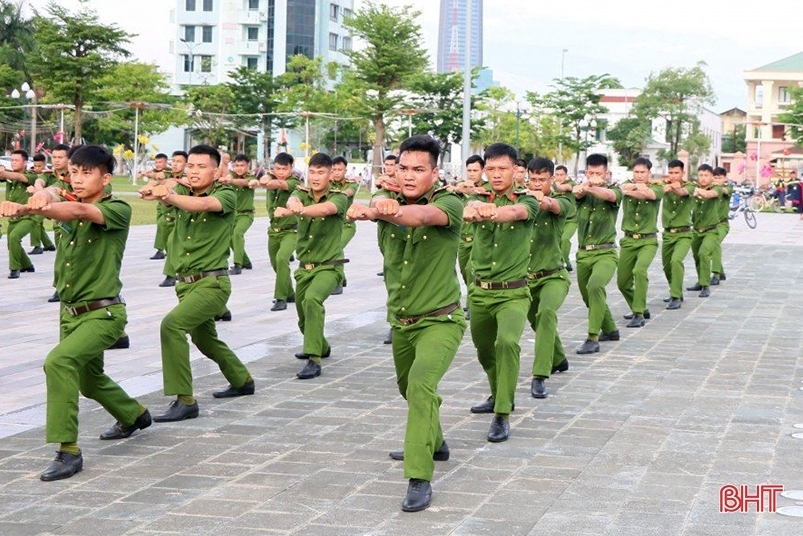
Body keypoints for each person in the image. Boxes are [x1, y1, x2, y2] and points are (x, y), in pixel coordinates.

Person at [0, 145, 151, 481]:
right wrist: (45, 193)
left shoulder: (117, 209)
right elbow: (57, 193)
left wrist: (29, 208)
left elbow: (79, 212)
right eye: (74, 172)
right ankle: (134, 415)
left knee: (59, 362)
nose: (78, 178)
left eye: (87, 172)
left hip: (104, 314)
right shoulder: (65, 191)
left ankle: (68, 451)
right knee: (90, 380)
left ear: (106, 177)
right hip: (70, 313)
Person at [347, 135, 465, 513]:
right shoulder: (389, 201)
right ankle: (435, 439)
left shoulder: (450, 203)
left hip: (441, 321)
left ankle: (419, 476)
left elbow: (422, 217)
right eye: (404, 169)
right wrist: (374, 206)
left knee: (420, 384)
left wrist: (382, 210)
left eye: (420, 170)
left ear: (435, 172)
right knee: (408, 387)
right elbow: (368, 211)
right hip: (402, 322)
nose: (411, 176)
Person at [138, 144, 255, 423]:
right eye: (190, 166)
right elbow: (167, 191)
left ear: (217, 171)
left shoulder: (225, 194)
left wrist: (168, 195)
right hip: (186, 284)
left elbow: (202, 204)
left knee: (172, 325)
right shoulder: (181, 191)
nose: (193, 171)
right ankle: (242, 380)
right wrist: (158, 190)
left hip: (212, 284)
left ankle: (185, 399)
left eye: (201, 167)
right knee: (205, 339)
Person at [465, 143, 537, 443]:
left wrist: (492, 211)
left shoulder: (528, 200)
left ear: (515, 171)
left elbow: (516, 212)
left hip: (513, 293)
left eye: (502, 169)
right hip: (480, 292)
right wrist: (475, 208)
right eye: (490, 168)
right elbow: (467, 210)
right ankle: (497, 393)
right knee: (484, 351)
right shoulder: (474, 197)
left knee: (506, 343)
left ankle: (503, 413)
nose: (496, 174)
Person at [277, 153, 348, 379]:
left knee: (312, 300)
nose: (316, 177)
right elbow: (292, 199)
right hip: (305, 268)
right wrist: (293, 203)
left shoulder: (339, 197)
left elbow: (325, 210)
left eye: (321, 172)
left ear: (330, 175)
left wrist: (299, 210)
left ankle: (314, 359)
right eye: (313, 172)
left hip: (329, 266)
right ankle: (321, 346)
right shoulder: (301, 193)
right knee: (302, 318)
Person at [524, 157, 571, 398]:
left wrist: (539, 198)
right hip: (525, 280)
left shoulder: (562, 200)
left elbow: (553, 205)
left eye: (542, 180)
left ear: (551, 180)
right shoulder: (522, 199)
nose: (537, 184)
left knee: (546, 313)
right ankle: (559, 357)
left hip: (554, 276)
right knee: (537, 322)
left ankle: (540, 375)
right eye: (533, 179)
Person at [573, 154, 622, 354]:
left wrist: (592, 186)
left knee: (595, 286)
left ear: (606, 174)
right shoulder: (582, 192)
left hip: (605, 252)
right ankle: (610, 329)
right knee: (588, 296)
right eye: (591, 173)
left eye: (598, 173)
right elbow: (574, 193)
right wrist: (584, 186)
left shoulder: (615, 190)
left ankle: (592, 337)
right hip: (583, 253)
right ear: (586, 173)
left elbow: (610, 197)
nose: (594, 176)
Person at [616, 157, 663, 328]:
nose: (639, 175)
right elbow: (619, 190)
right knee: (622, 282)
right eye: (636, 172)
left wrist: (630, 189)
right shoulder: (625, 184)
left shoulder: (657, 187)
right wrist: (626, 188)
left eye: (643, 172)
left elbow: (648, 194)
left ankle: (638, 313)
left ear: (649, 173)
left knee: (640, 271)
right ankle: (640, 305)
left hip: (648, 241)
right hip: (628, 240)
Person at [255, 153, 299, 311]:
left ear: (291, 168)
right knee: (276, 264)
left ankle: (280, 298)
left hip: (291, 231)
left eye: (284, 169)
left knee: (282, 259)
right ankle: (290, 292)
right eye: (277, 168)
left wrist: (267, 181)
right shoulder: (270, 176)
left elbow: (280, 184)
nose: (281, 172)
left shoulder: (294, 182)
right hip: (273, 231)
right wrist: (265, 177)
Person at [661, 160, 695, 310]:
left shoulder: (690, 185)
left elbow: (682, 192)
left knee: (676, 261)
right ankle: (675, 289)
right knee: (667, 266)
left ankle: (675, 296)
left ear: (683, 173)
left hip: (684, 234)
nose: (673, 176)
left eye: (676, 173)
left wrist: (673, 188)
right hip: (668, 234)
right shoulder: (664, 184)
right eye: (671, 172)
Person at [451, 155, 485, 301]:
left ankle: (473, 303)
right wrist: (459, 189)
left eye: (475, 170)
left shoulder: (487, 189)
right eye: (469, 170)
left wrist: (475, 192)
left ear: (482, 170)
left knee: (471, 269)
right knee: (465, 271)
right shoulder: (460, 188)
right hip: (462, 239)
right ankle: (473, 297)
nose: (472, 173)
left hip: (479, 238)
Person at [686, 164, 722, 298]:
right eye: (700, 175)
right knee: (697, 257)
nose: (703, 178)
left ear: (712, 177)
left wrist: (696, 191)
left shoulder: (716, 188)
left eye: (706, 175)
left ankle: (706, 285)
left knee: (704, 253)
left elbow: (709, 194)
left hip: (711, 230)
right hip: (696, 230)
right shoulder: (693, 188)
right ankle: (701, 281)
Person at [1, 149, 37, 279]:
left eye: (17, 160)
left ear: (25, 162)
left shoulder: (31, 176)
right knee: (11, 244)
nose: (13, 163)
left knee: (14, 237)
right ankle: (27, 265)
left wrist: (3, 172)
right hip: (13, 217)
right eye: (12, 160)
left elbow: (19, 177)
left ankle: (15, 269)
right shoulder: (9, 176)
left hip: (28, 216)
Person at [157, 151, 189, 288]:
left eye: (179, 161)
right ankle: (177, 268)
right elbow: (158, 178)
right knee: (169, 246)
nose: (175, 164)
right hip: (165, 217)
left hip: (179, 218)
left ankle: (170, 276)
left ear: (186, 164)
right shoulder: (167, 175)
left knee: (172, 243)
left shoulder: (188, 178)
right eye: (173, 161)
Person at [219, 154, 256, 275]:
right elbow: (226, 175)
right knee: (229, 238)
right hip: (233, 215)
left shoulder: (251, 177)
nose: (239, 168)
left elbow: (245, 182)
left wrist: (231, 180)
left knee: (237, 233)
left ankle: (237, 265)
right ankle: (246, 261)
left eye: (242, 165)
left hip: (246, 214)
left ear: (247, 166)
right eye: (237, 165)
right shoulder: (230, 175)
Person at [330, 155, 358, 295]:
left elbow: (348, 193)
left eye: (339, 169)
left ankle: (338, 282)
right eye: (333, 169)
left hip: (347, 225)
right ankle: (343, 277)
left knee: (336, 248)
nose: (336, 172)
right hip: (332, 227)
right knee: (333, 249)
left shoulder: (351, 184)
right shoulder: (327, 183)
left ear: (345, 170)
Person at [139, 153, 170, 260]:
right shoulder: (156, 172)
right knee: (161, 226)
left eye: (160, 162)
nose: (157, 164)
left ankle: (163, 249)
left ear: (166, 162)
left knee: (163, 225)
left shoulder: (169, 172)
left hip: (170, 205)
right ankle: (163, 249)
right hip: (160, 204)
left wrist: (148, 174)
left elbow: (160, 176)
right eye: (156, 162)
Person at [27, 153, 56, 255]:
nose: (37, 168)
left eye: (40, 166)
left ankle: (37, 246)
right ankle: (48, 244)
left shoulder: (50, 174)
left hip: (50, 203)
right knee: (38, 224)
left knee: (34, 220)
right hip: (38, 203)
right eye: (35, 166)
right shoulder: (32, 172)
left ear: (45, 164)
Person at [553, 165, 577, 271]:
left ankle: (564, 263)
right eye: (557, 175)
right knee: (556, 241)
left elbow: (564, 188)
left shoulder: (570, 183)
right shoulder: (553, 184)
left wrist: (553, 184)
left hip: (571, 220)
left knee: (565, 239)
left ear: (566, 175)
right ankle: (565, 261)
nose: (559, 177)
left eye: (561, 175)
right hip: (558, 220)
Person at [710, 167, 731, 285]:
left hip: (722, 224)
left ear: (725, 178)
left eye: (720, 178)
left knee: (715, 243)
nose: (717, 180)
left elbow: (725, 191)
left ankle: (716, 274)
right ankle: (721, 271)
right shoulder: (709, 189)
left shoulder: (727, 188)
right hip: (710, 224)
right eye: (715, 177)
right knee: (710, 246)